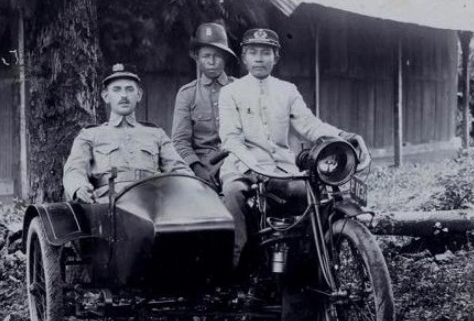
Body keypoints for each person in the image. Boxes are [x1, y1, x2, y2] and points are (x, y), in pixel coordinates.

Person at [218, 28, 371, 269]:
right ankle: (239, 267)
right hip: (241, 166)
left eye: (266, 53)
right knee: (233, 195)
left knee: (314, 195)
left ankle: (310, 262)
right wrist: (253, 166)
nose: (259, 58)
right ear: (244, 57)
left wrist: (342, 135)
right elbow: (231, 138)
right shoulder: (230, 92)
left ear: (276, 57)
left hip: (282, 168)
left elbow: (309, 124)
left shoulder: (287, 90)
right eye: (253, 52)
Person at [63, 63, 193, 203]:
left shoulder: (156, 134)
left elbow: (179, 169)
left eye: (130, 89)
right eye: (117, 90)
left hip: (151, 202)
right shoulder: (90, 135)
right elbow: (74, 169)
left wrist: (192, 188)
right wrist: (79, 187)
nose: (124, 95)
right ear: (106, 96)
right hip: (109, 202)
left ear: (139, 95)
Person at [171, 22, 237, 189]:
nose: (212, 62)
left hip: (238, 165)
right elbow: (180, 141)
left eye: (217, 56)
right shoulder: (187, 94)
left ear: (225, 57)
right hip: (202, 169)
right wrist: (197, 169)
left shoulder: (239, 89)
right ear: (197, 58)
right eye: (206, 56)